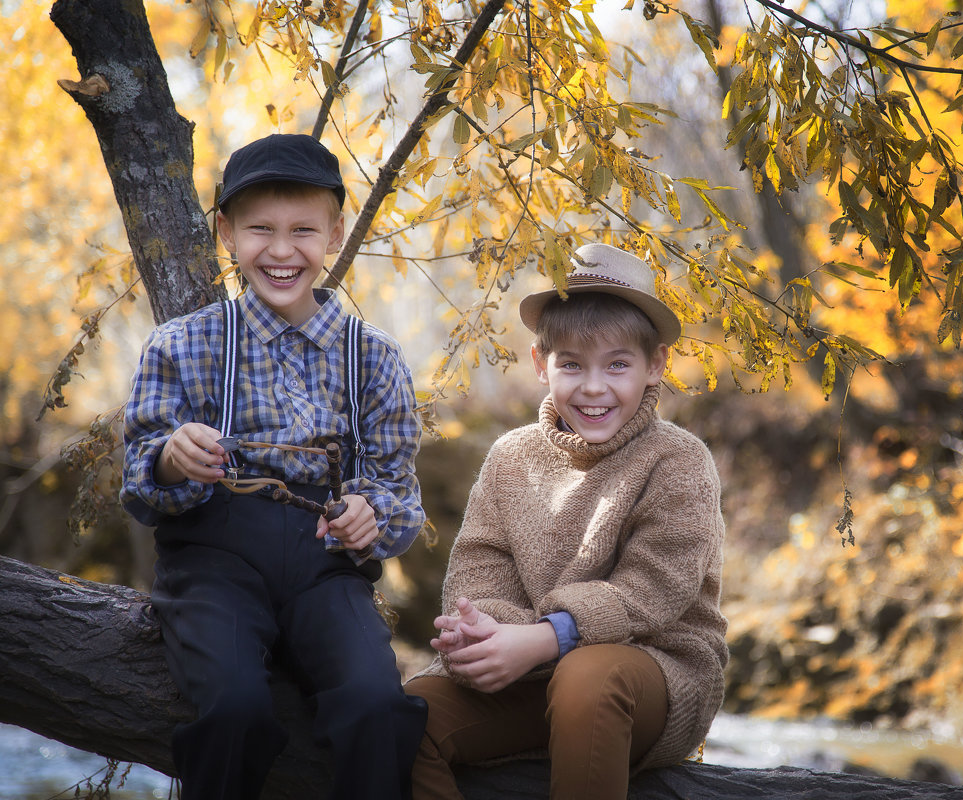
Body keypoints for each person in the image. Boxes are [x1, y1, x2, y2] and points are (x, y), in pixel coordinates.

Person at [120, 133, 428, 800]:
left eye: (303, 231)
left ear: (336, 234)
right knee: (233, 709)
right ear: (227, 233)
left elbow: (398, 493)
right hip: (213, 569)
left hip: (327, 573)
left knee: (378, 706)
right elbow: (139, 478)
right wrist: (172, 460)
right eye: (261, 230)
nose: (282, 252)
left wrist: (369, 516)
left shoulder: (371, 357)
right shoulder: (183, 345)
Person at [405, 243, 728, 799]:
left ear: (655, 366)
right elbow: (479, 571)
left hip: (652, 671)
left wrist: (543, 639)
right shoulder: (511, 458)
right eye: (572, 364)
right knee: (409, 712)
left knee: (589, 680)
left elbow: (654, 591)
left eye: (618, 364)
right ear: (540, 364)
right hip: (534, 677)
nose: (594, 387)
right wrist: (488, 635)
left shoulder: (677, 460)